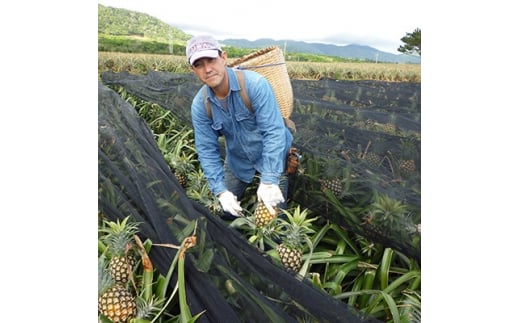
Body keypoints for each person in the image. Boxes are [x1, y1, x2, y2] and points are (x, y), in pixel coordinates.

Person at [186, 35, 293, 220]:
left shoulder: (256, 85)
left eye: (211, 60)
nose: (207, 69)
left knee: (273, 222)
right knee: (222, 213)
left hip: (273, 155)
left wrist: (269, 180)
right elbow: (206, 150)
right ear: (193, 69)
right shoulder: (200, 105)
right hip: (238, 160)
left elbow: (274, 133)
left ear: (223, 57)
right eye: (199, 64)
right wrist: (220, 191)